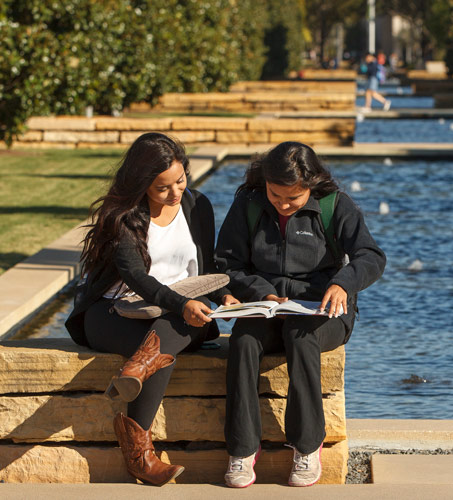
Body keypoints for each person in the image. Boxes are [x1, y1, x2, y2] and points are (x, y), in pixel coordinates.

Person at [65, 132, 238, 486]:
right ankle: (141, 451)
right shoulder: (122, 215)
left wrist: (224, 297)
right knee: (165, 340)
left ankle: (139, 435)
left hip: (179, 315)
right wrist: (183, 304)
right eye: (163, 188)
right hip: (111, 314)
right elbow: (137, 278)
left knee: (171, 330)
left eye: (180, 180)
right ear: (142, 184)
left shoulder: (197, 205)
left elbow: (205, 267)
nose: (175, 193)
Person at [215, 141, 386, 488]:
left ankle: (307, 446)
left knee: (300, 335)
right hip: (265, 308)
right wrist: (258, 292)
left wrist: (342, 283)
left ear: (311, 183)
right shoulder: (247, 204)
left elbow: (371, 256)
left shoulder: (335, 205)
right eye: (275, 194)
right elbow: (226, 264)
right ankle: (243, 450)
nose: (283, 203)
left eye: (292, 198)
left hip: (323, 311)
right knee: (244, 340)